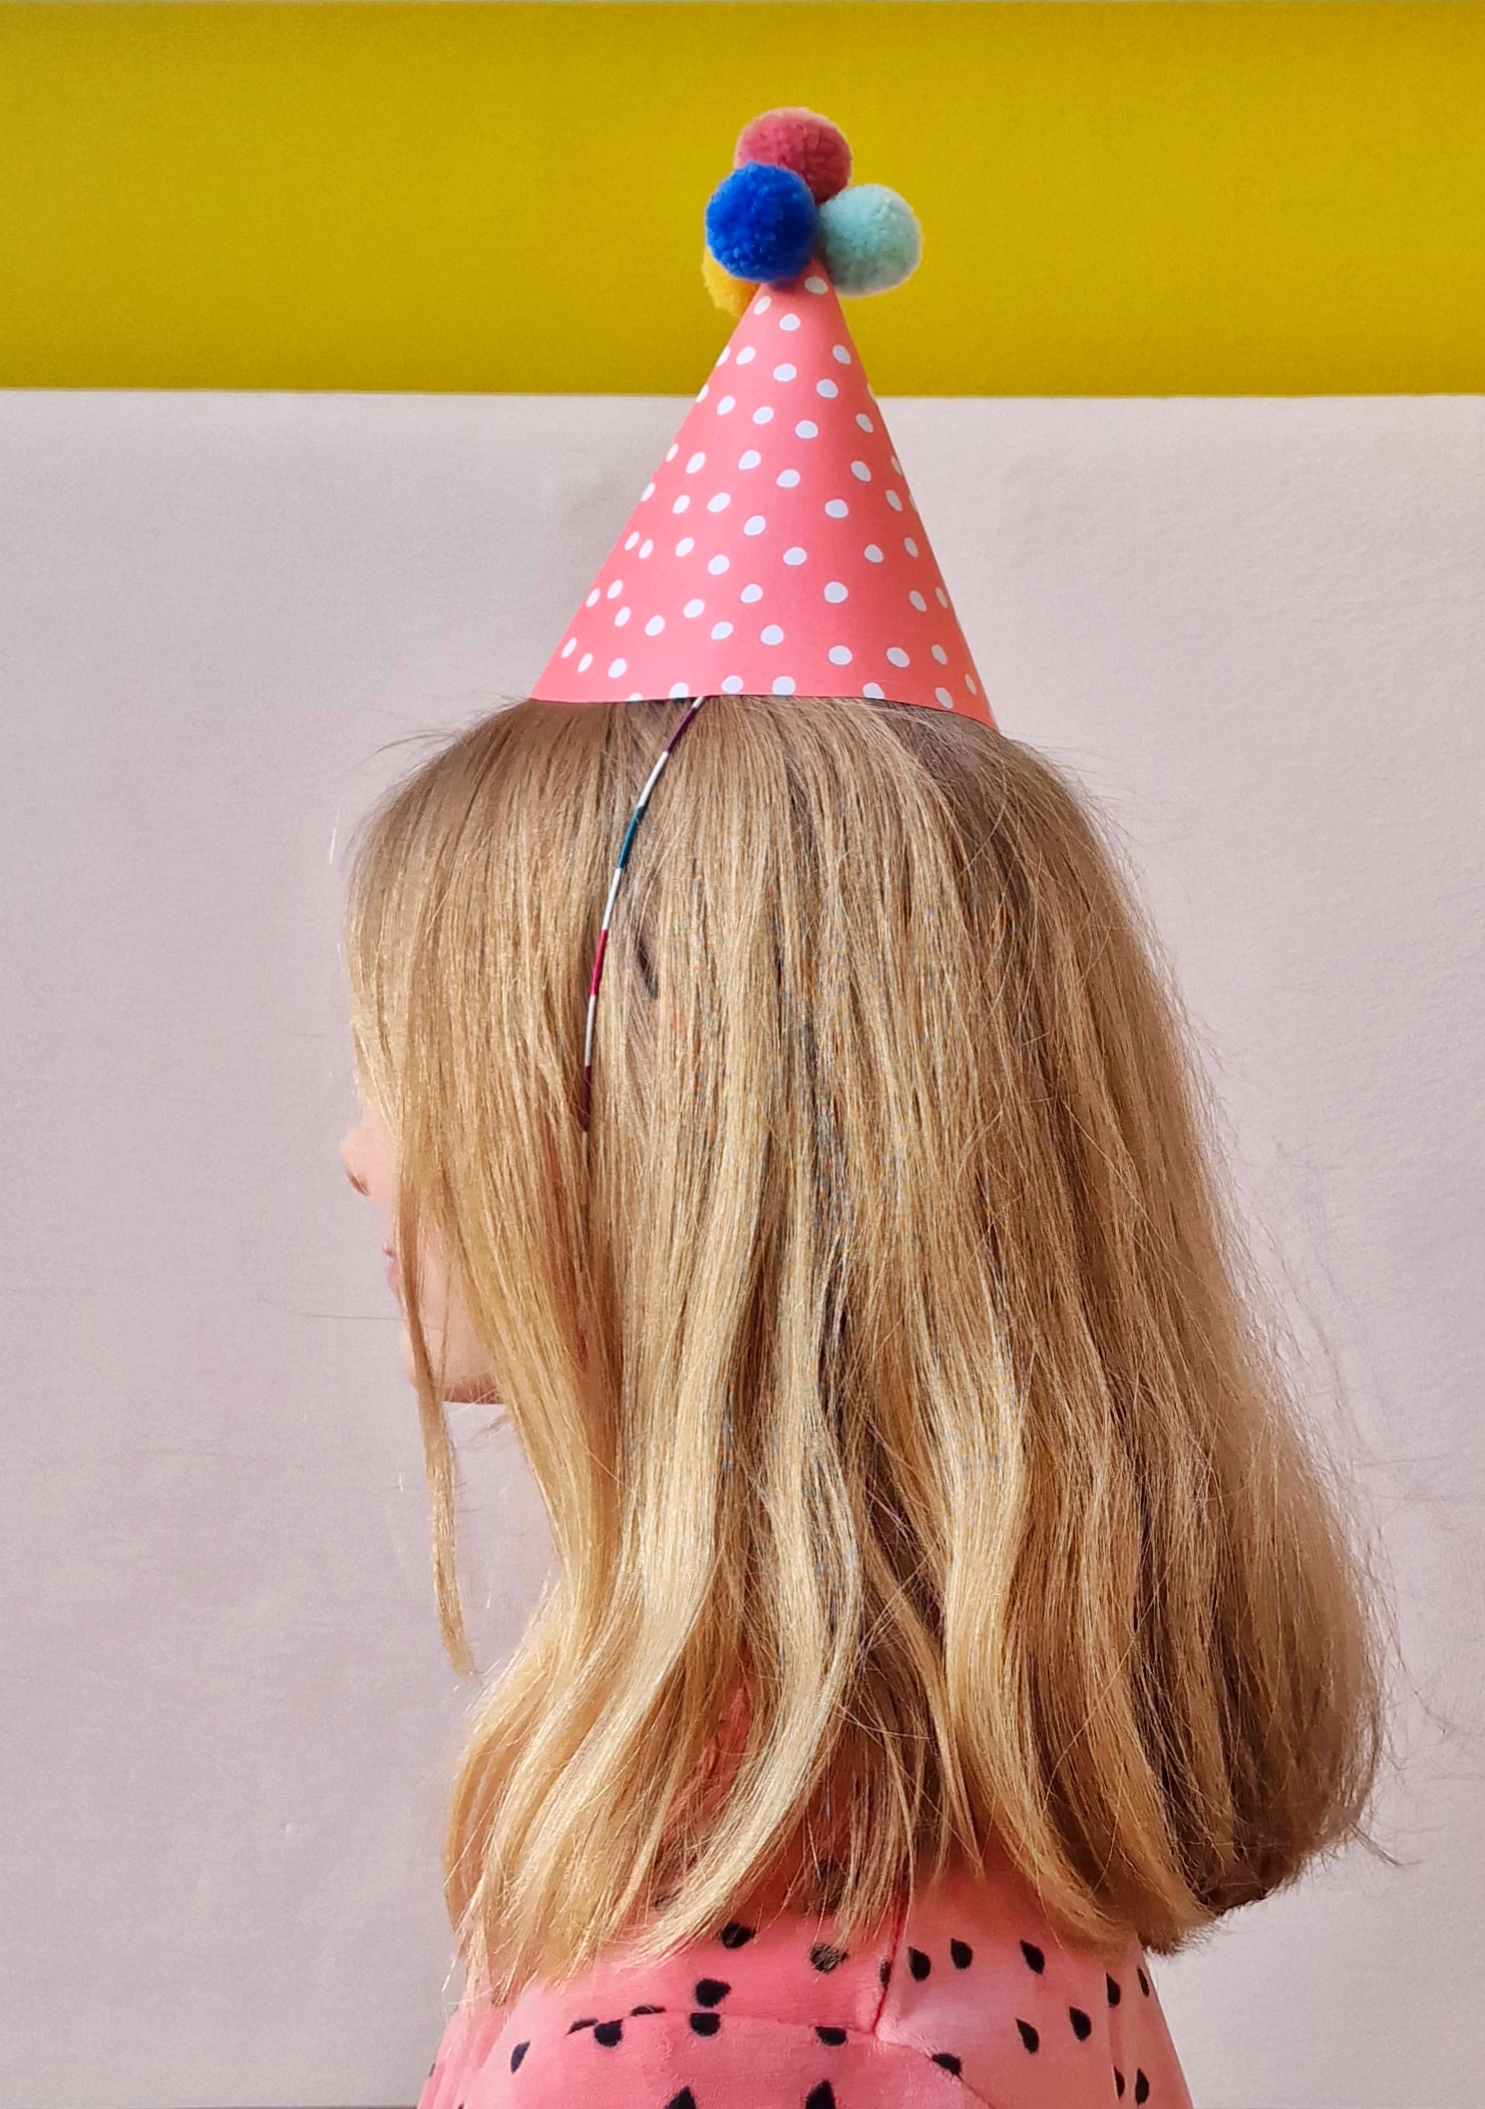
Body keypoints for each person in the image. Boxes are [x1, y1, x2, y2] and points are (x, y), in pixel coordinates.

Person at [336, 107, 1386, 2109]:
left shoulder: (697, 2006)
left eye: (412, 1066)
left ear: (652, 1148)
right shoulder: (917, 1873)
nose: (361, 1150)